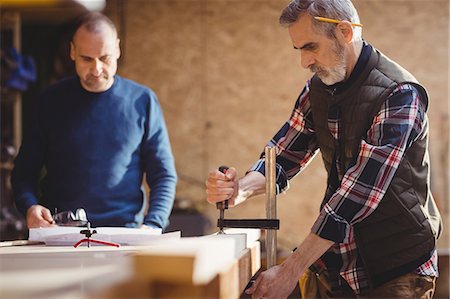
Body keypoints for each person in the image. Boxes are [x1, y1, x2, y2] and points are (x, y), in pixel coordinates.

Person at [205, 0, 442, 298]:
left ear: (344, 32)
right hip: (339, 264)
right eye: (300, 50)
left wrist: (291, 269)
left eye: (311, 47)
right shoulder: (317, 88)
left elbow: (359, 193)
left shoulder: (398, 94)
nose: (304, 62)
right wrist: (239, 189)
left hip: (395, 268)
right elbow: (283, 155)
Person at [12, 12, 177, 230]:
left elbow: (164, 175)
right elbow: (24, 173)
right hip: (59, 233)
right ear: (72, 52)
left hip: (124, 232)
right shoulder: (50, 101)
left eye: (105, 58)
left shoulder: (142, 101)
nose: (97, 69)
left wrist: (154, 224)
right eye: (87, 59)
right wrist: (30, 206)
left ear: (117, 49)